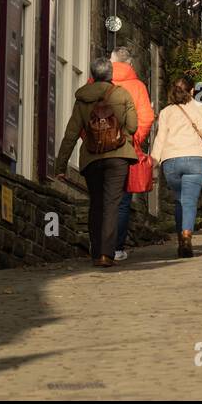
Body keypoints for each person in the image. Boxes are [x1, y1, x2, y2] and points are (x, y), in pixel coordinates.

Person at [53, 58, 139, 267]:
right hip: (118, 157)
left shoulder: (82, 98)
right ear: (110, 74)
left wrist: (60, 166)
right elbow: (134, 126)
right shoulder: (122, 94)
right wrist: (121, 137)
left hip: (91, 157)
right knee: (112, 204)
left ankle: (96, 252)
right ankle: (106, 255)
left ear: (93, 74)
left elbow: (71, 134)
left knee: (96, 204)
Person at [150, 76, 202, 258]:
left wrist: (154, 163)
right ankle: (187, 237)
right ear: (192, 91)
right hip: (196, 159)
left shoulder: (166, 112)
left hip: (171, 161)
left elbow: (160, 139)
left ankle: (181, 240)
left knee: (180, 200)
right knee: (189, 201)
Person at [109, 46, 155, 261]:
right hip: (126, 150)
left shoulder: (97, 82)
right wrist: (134, 140)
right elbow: (146, 118)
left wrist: (91, 140)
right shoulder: (137, 86)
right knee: (122, 202)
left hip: (98, 150)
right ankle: (116, 249)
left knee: (102, 199)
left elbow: (83, 116)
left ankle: (99, 247)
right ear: (130, 64)